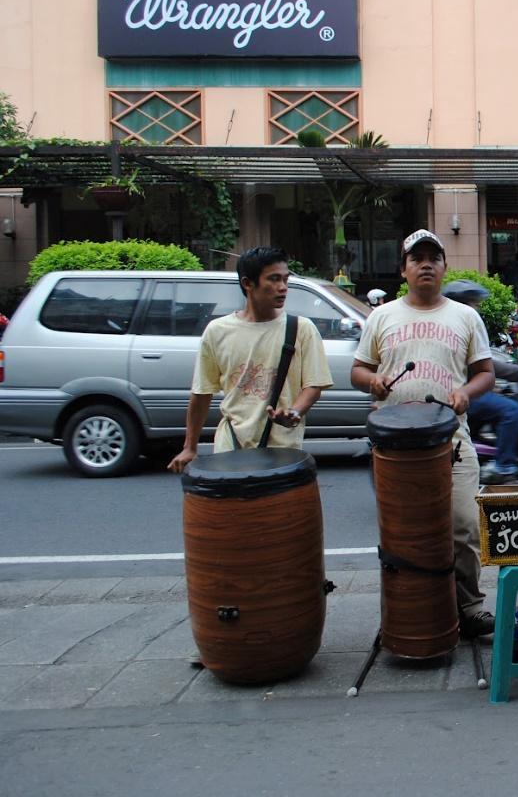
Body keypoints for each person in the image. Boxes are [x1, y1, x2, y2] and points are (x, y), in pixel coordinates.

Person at [350, 229, 497, 639]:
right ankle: (411, 614)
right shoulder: (381, 317)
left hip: (452, 442)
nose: (427, 264)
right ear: (404, 269)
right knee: (405, 536)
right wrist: (374, 381)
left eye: (434, 257)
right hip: (396, 451)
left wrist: (465, 392)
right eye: (418, 258)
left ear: (445, 266)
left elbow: (485, 373)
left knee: (464, 526)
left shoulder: (465, 316)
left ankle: (469, 607)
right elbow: (357, 371)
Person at [168, 247, 333, 474]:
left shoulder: (301, 329)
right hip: (230, 445)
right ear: (248, 283)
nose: (283, 287)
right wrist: (190, 447)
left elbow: (314, 386)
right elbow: (201, 393)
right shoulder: (218, 331)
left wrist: (295, 412)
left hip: (283, 450)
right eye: (274, 279)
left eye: (285, 279)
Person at [444, 280, 518, 485]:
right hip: (458, 395)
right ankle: (504, 466)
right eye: (473, 303)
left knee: (505, 398)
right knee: (512, 411)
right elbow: (489, 366)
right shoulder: (458, 328)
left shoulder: (460, 325)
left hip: (464, 390)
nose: (476, 307)